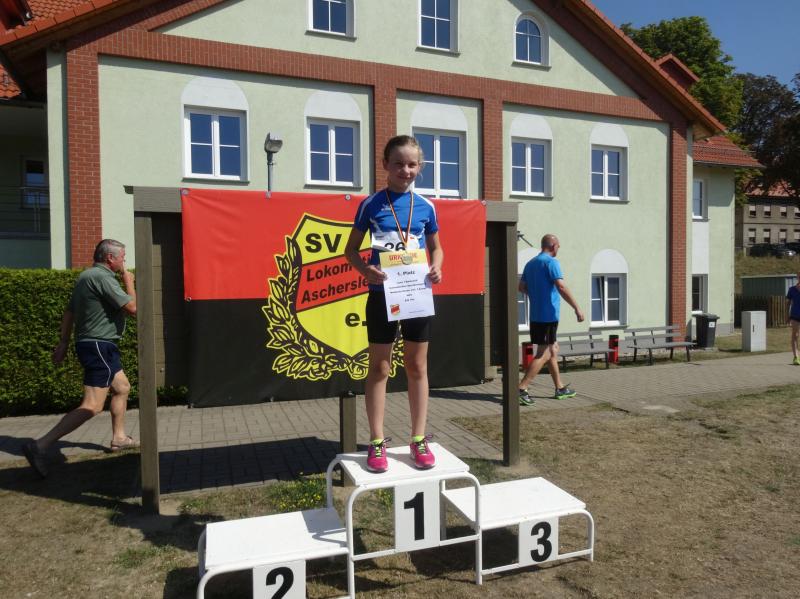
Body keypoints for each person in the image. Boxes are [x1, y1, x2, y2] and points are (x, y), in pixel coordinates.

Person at [344, 135, 443, 473]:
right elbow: (350, 250)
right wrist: (365, 270)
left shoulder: (426, 206)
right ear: (385, 164)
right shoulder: (371, 204)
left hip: (416, 294)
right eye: (398, 163)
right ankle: (376, 441)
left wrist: (437, 266)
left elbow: (437, 248)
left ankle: (418, 439)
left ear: (420, 167)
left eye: (412, 164)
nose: (405, 170)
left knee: (417, 367)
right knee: (380, 368)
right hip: (382, 295)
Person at [23, 239, 138, 478]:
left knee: (122, 387)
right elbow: (132, 308)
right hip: (99, 346)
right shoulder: (103, 277)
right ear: (110, 258)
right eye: (122, 257)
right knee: (92, 406)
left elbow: (69, 312)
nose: (124, 261)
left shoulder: (86, 277)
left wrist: (64, 343)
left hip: (96, 345)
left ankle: (119, 438)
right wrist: (129, 282)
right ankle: (40, 446)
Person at [518, 234, 585, 405]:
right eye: (558, 246)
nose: (558, 249)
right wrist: (577, 307)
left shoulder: (531, 263)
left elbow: (521, 287)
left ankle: (560, 388)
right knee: (544, 353)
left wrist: (536, 296)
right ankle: (521, 388)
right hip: (548, 316)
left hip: (536, 316)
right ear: (554, 246)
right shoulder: (551, 262)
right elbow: (561, 286)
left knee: (553, 350)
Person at [787, 272, 800, 365]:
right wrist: (787, 316)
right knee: (795, 335)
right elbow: (788, 304)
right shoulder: (792, 289)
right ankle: (796, 357)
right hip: (795, 315)